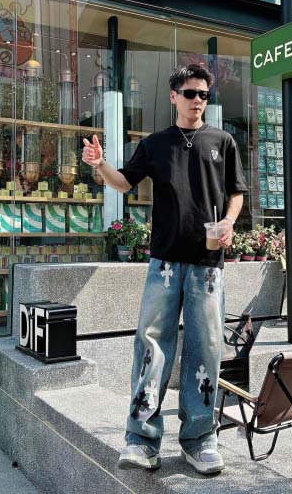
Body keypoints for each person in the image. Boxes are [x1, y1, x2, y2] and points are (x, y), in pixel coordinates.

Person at [82, 64, 247, 475]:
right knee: (151, 345)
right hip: (165, 262)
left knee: (205, 348)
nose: (198, 101)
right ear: (173, 96)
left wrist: (229, 222)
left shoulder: (223, 141)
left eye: (204, 94)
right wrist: (100, 164)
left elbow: (236, 193)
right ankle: (141, 439)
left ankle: (200, 439)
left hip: (208, 265)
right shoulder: (155, 144)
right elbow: (124, 182)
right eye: (190, 93)